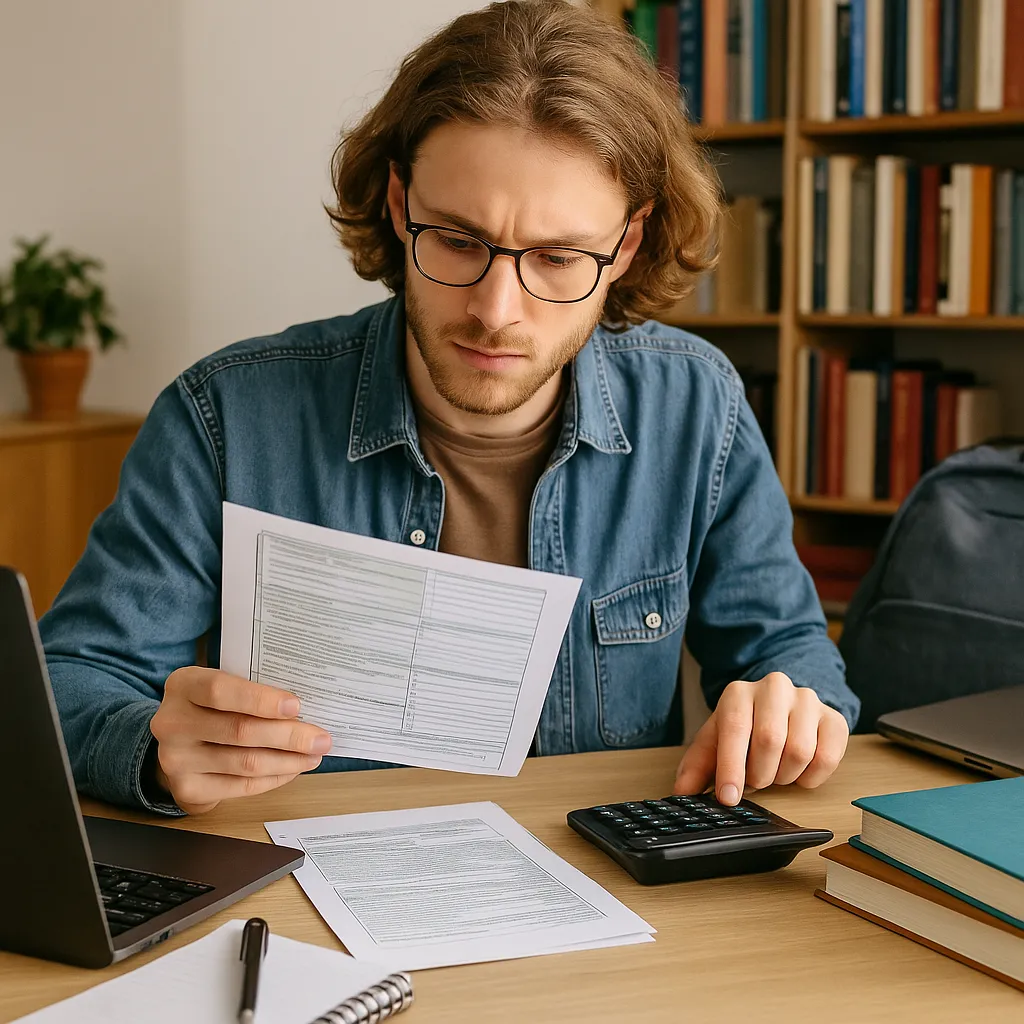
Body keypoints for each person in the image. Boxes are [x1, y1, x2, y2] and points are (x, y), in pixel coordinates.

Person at [40, 0, 858, 817]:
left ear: (628, 245)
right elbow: (70, 676)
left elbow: (787, 652)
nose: (497, 309)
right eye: (459, 242)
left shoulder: (698, 408)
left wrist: (792, 708)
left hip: (608, 892)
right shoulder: (224, 416)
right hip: (308, 897)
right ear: (400, 206)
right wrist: (151, 749)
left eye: (559, 257)